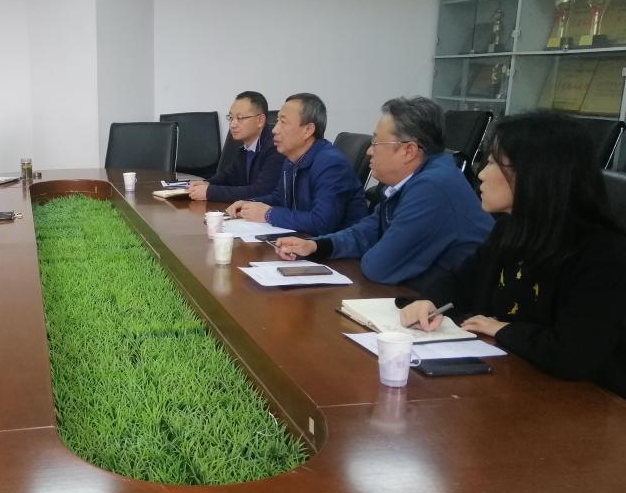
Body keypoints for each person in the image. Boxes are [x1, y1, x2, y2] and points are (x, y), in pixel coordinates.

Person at [399, 112, 626, 397]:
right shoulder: (509, 229)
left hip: (584, 404)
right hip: (509, 383)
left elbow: (573, 354)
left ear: (535, 174)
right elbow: (460, 281)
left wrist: (503, 329)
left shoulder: (603, 253)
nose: (481, 174)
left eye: (494, 162)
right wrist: (430, 301)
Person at [276, 96, 493, 290]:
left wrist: (373, 246)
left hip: (462, 310)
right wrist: (316, 246)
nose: (369, 150)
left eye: (376, 142)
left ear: (409, 150)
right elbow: (368, 231)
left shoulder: (432, 187)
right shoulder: (411, 180)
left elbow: (378, 267)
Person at [225, 93, 367, 233]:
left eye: (283, 122)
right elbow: (279, 198)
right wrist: (251, 203)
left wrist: (268, 214)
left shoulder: (331, 164)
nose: (274, 130)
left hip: (335, 246)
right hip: (303, 240)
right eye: (277, 121)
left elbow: (322, 223)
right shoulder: (291, 160)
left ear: (307, 130)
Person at [186, 91, 282, 203]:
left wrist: (210, 192)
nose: (232, 124)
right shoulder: (246, 146)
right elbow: (230, 175)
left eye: (240, 118)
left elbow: (260, 191)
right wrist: (207, 183)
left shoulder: (275, 146)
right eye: (231, 118)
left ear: (260, 120)